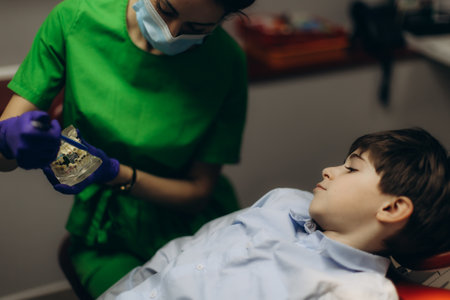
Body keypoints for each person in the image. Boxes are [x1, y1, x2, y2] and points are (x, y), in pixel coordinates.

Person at [0, 0, 255, 297]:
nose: (171, 34)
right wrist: (9, 141)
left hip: (199, 226)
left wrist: (113, 172)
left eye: (196, 28)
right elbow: (3, 159)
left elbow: (198, 193)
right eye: (165, 10)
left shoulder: (227, 61)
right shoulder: (76, 20)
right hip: (108, 233)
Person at [98, 127, 450, 300]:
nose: (329, 170)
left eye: (351, 169)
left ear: (391, 208)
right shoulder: (283, 202)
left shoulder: (356, 291)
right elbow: (187, 248)